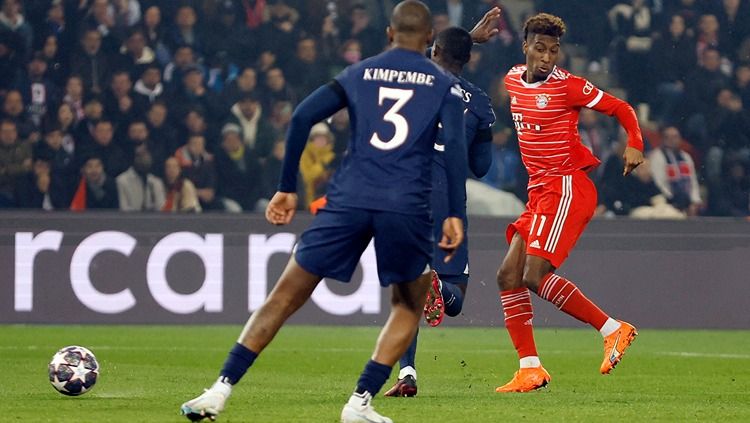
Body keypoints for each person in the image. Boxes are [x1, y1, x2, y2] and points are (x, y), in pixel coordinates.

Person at [180, 2, 467, 422]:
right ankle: (359, 402)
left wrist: (285, 189)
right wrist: (454, 212)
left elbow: (301, 117)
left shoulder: (358, 72)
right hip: (405, 204)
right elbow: (456, 148)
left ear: (389, 33)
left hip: (349, 198)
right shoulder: (444, 85)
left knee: (284, 296)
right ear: (429, 39)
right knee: (407, 306)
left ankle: (218, 392)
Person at [495, 13, 644, 393]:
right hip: (538, 191)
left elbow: (622, 108)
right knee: (508, 276)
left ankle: (613, 329)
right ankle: (530, 369)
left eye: (554, 51)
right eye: (540, 49)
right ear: (525, 47)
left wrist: (635, 143)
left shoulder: (568, 86)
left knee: (533, 274)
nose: (547, 58)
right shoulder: (512, 79)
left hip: (566, 187)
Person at [384, 21, 500, 398]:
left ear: (433, 52)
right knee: (455, 299)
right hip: (449, 202)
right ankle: (440, 286)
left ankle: (409, 373)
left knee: (407, 288)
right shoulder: (479, 102)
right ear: (469, 59)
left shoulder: (412, 81)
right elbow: (481, 166)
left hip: (406, 196)